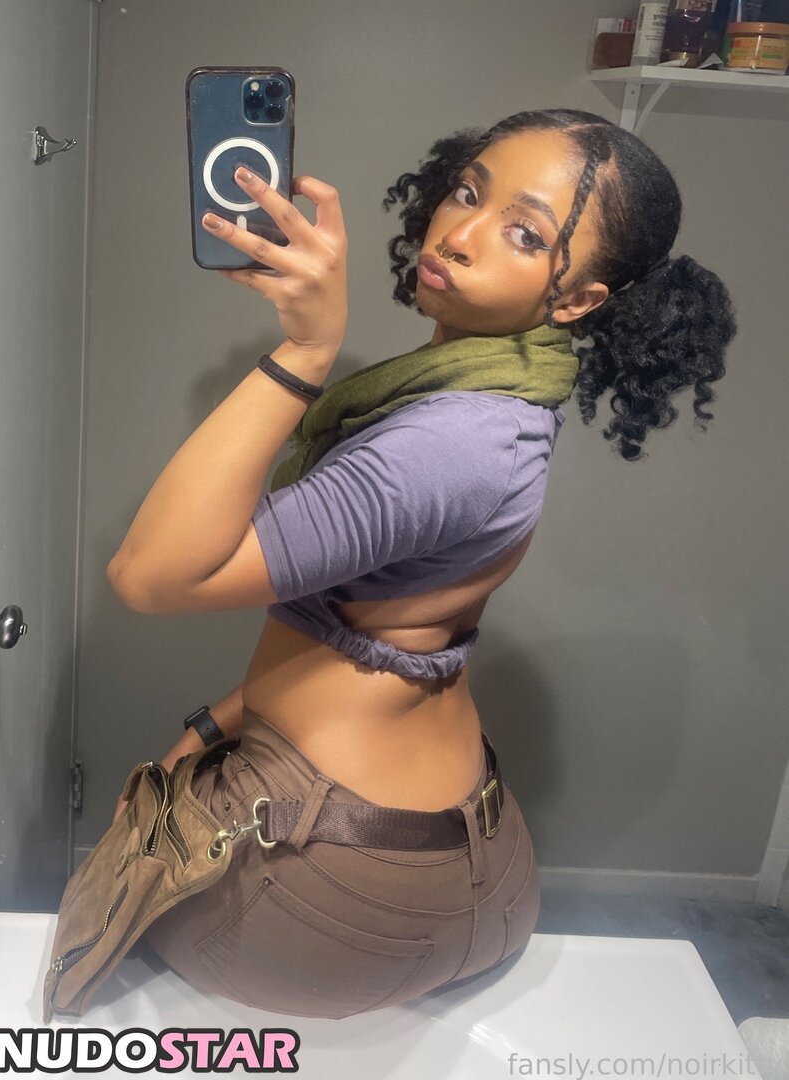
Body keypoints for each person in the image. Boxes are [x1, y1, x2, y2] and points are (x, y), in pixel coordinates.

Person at [106, 108, 737, 1020]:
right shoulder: (504, 393)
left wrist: (304, 350)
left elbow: (152, 576)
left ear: (576, 299)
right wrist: (213, 728)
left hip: (339, 896)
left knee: (103, 928)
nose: (461, 233)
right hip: (455, 863)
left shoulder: (452, 440)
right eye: (468, 192)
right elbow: (386, 631)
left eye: (526, 234)